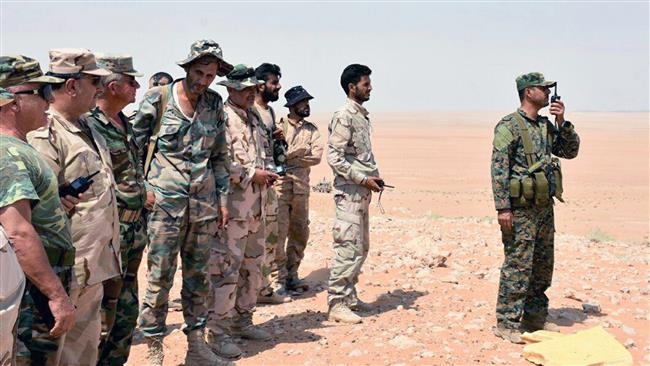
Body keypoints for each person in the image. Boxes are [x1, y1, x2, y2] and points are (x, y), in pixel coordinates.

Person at [131, 40, 231, 366]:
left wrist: (223, 199)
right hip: (163, 208)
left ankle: (196, 347)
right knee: (159, 278)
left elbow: (219, 156)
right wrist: (140, 188)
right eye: (199, 73)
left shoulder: (214, 104)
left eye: (210, 75)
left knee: (198, 279)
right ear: (186, 68)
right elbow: (130, 150)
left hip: (202, 208)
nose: (203, 81)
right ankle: (154, 349)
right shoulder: (158, 100)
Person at [27, 49, 119, 365]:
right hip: (64, 265)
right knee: (52, 353)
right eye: (95, 81)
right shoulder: (45, 131)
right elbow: (40, 204)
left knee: (82, 351)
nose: (100, 89)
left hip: (92, 263)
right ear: (72, 86)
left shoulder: (89, 127)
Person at [491, 72, 580, 344]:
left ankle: (535, 318)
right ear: (528, 92)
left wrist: (562, 122)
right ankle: (506, 322)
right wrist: (503, 208)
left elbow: (569, 151)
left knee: (542, 266)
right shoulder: (509, 126)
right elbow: (498, 169)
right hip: (519, 209)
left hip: (543, 207)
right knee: (518, 265)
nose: (548, 92)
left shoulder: (544, 126)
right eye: (543, 88)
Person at [0, 56, 76, 365]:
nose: (50, 100)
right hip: (33, 292)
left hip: (39, 283)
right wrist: (56, 295)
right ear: (13, 101)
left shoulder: (19, 149)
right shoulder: (8, 152)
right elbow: (18, 231)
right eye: (42, 93)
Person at [207, 64, 277, 359]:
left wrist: (268, 172)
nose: (251, 93)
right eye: (246, 89)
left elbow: (264, 154)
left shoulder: (256, 119)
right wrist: (250, 174)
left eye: (253, 88)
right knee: (227, 272)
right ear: (231, 89)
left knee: (253, 268)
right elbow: (217, 162)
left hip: (256, 207)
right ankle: (218, 332)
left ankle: (242, 321)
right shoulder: (222, 118)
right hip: (232, 210)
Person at [81, 54, 146, 365]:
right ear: (114, 85)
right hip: (109, 232)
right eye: (131, 81)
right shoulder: (90, 126)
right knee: (104, 313)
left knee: (126, 311)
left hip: (134, 230)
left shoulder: (125, 123)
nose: (137, 86)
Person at [326, 64, 384, 324]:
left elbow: (358, 156)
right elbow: (335, 157)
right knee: (347, 246)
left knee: (361, 247)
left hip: (361, 192)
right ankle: (336, 302)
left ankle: (349, 296)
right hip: (349, 192)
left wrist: (372, 177)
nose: (370, 88)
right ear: (352, 87)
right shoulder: (344, 115)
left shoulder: (361, 115)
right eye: (365, 84)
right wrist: (363, 178)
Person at [275, 86, 323, 293]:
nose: (307, 105)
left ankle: (292, 275)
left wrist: (288, 154)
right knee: (278, 233)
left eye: (308, 102)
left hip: (301, 189)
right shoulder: (279, 128)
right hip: (280, 187)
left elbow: (316, 156)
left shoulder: (312, 130)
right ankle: (278, 279)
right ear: (293, 105)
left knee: (299, 232)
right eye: (303, 102)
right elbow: (274, 154)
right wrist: (299, 153)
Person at [252, 62, 290, 304]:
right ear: (260, 85)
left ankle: (263, 289)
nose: (278, 87)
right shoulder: (250, 110)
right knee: (253, 238)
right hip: (251, 185)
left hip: (270, 182)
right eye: (274, 82)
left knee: (270, 237)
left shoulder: (269, 112)